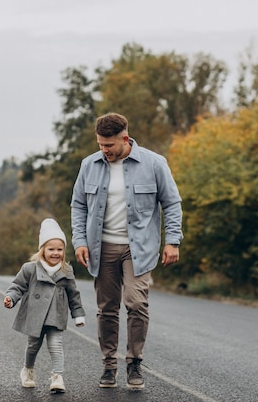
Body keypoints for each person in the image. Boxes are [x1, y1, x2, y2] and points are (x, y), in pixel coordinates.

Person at [70, 112, 183, 389]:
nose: (104, 150)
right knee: (107, 308)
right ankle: (109, 365)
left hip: (139, 248)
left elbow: (171, 203)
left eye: (109, 145)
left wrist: (172, 241)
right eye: (100, 145)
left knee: (136, 302)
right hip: (102, 247)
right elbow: (79, 205)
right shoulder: (89, 165)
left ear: (124, 138)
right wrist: (80, 240)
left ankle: (134, 362)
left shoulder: (154, 163)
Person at [3, 218, 86, 394]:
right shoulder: (30, 269)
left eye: (60, 249)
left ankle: (57, 376)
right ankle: (28, 370)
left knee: (56, 344)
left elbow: (73, 294)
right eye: (51, 249)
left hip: (56, 315)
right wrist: (11, 297)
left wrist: (78, 314)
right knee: (33, 346)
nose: (56, 253)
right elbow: (17, 286)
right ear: (42, 250)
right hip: (35, 315)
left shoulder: (66, 271)